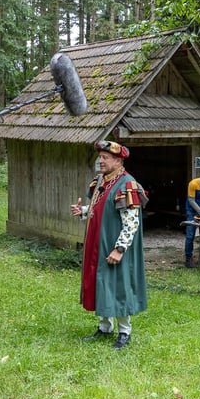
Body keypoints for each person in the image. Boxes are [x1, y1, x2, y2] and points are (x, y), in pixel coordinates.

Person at [69, 140, 147, 350]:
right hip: (98, 244)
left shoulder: (126, 184)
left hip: (115, 245)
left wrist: (119, 249)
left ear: (118, 160)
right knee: (100, 282)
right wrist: (83, 211)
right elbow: (101, 207)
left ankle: (124, 332)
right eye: (100, 157)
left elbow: (131, 221)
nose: (100, 161)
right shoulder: (101, 180)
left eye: (105, 158)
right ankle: (105, 327)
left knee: (119, 286)